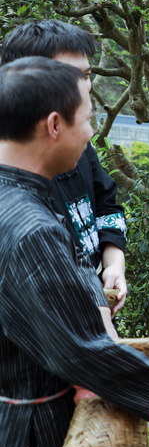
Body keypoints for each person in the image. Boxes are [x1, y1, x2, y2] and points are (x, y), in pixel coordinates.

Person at [0, 57, 149, 447]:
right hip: (32, 433)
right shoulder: (32, 232)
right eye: (88, 120)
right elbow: (83, 352)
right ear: (55, 125)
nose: (91, 133)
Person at [1, 20, 129, 313]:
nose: (84, 87)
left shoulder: (78, 146)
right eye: (71, 77)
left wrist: (114, 265)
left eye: (86, 75)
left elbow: (107, 207)